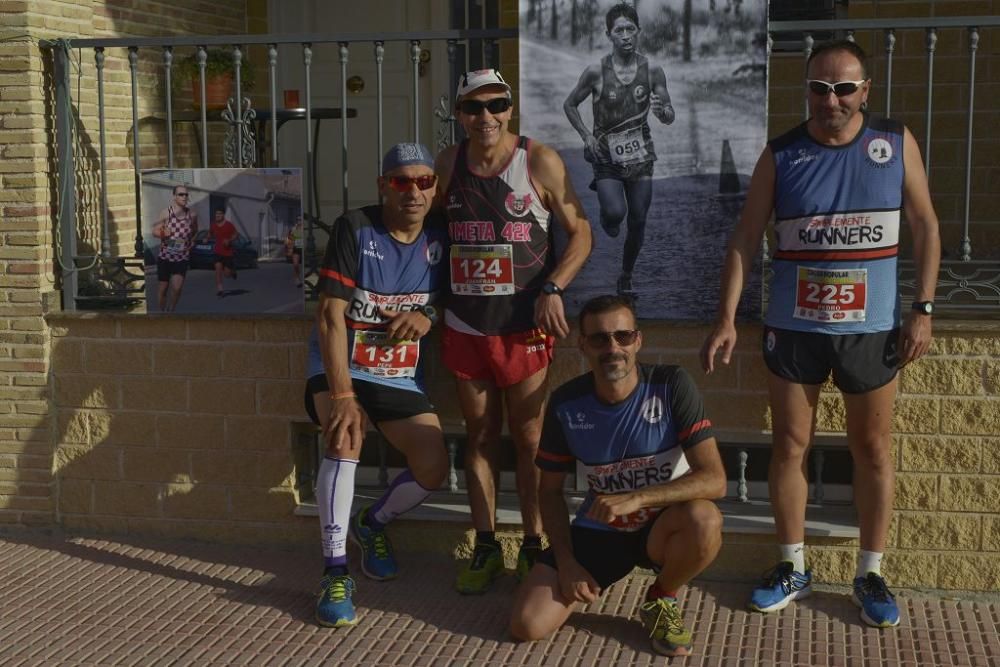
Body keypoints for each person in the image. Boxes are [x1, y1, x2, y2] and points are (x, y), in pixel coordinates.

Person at [700, 40, 940, 628]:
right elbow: (745, 237)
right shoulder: (781, 154)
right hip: (794, 327)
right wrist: (728, 318)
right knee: (790, 447)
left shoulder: (893, 141)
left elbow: (926, 223)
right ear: (806, 90)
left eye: (844, 88)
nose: (830, 99)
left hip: (872, 328)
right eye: (819, 88)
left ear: (865, 91)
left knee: (873, 449)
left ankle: (871, 572)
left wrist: (924, 308)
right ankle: (792, 566)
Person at [434, 68, 593, 594]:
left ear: (509, 109)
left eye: (496, 105)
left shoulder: (539, 160)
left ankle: (533, 543)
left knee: (528, 439)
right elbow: (425, 233)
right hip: (465, 323)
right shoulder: (447, 164)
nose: (486, 117)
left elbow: (582, 232)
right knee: (479, 436)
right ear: (459, 114)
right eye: (473, 108)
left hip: (524, 326)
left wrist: (554, 287)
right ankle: (484, 544)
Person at [510, 295, 725, 657]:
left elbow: (715, 479)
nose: (613, 348)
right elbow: (548, 493)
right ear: (582, 346)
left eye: (623, 336)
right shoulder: (565, 404)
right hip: (601, 530)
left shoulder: (671, 384)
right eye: (599, 339)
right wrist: (566, 564)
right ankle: (581, 578)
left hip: (663, 527)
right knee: (526, 625)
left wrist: (640, 497)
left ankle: (661, 597)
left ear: (638, 340)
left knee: (705, 518)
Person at [307, 142, 450, 628]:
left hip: (396, 373)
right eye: (400, 181)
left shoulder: (442, 235)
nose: (413, 191)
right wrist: (343, 396)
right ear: (383, 186)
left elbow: (454, 301)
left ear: (435, 188)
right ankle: (334, 572)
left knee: (434, 467)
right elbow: (329, 315)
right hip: (341, 368)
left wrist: (427, 314)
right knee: (345, 437)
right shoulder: (356, 226)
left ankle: (372, 525)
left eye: (423, 181)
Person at [563, 2, 674, 295]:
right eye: (619, 30)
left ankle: (626, 273)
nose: (625, 35)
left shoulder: (653, 71)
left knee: (638, 220)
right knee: (615, 214)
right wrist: (587, 136)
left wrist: (663, 112)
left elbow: (669, 114)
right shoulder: (595, 72)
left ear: (638, 32)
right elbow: (570, 104)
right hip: (606, 156)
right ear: (608, 34)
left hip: (641, 156)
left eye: (630, 29)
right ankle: (607, 210)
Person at [151, 184, 198, 312]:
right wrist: (162, 233)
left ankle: (171, 311)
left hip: (181, 257)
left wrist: (191, 242)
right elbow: (154, 231)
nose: (184, 197)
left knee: (177, 289)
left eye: (186, 194)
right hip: (165, 257)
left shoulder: (192, 214)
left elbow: (195, 231)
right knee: (163, 289)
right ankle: (162, 313)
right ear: (174, 197)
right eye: (181, 194)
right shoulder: (166, 213)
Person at [208, 207, 238, 296]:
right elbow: (210, 233)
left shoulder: (229, 225)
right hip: (217, 251)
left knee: (227, 274)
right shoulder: (213, 225)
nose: (217, 215)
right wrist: (207, 238)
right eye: (216, 214)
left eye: (219, 214)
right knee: (218, 269)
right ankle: (220, 289)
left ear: (223, 215)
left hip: (228, 253)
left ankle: (233, 272)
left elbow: (236, 234)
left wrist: (229, 240)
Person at [286, 215, 304, 287]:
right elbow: (290, 238)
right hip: (296, 248)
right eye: (298, 220)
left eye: (300, 219)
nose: (299, 221)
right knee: (295, 264)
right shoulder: (294, 228)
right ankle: (297, 279)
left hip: (303, 248)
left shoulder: (304, 228)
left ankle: (302, 279)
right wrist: (290, 249)